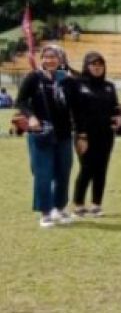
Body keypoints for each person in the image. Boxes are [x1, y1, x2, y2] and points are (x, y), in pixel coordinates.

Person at [17, 45, 79, 228]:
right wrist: (32, 117)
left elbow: (76, 102)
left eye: (54, 57)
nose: (49, 60)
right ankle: (45, 212)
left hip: (64, 134)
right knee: (43, 173)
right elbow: (20, 101)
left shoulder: (66, 80)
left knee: (63, 173)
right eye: (46, 57)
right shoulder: (33, 77)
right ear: (41, 59)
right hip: (41, 133)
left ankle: (59, 208)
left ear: (60, 60)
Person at [67, 52, 121, 217]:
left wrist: (118, 115)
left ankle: (96, 205)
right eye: (93, 65)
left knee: (101, 169)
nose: (97, 68)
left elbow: (115, 106)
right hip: (84, 135)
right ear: (86, 66)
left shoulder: (109, 86)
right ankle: (78, 204)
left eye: (100, 65)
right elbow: (74, 111)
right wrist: (81, 134)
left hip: (105, 134)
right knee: (86, 168)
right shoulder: (77, 84)